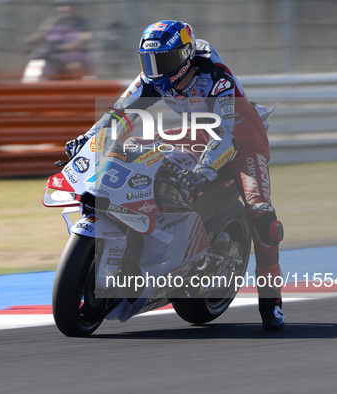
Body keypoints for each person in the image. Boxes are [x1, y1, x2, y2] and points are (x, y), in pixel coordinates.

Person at [65, 20, 286, 330]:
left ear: (184, 56)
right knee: (128, 151)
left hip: (242, 140)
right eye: (148, 61)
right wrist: (87, 138)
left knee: (263, 217)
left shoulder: (214, 77)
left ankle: (271, 303)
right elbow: (119, 112)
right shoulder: (152, 78)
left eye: (163, 60)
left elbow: (224, 135)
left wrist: (204, 171)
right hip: (194, 133)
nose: (155, 70)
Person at [24, 0, 93, 80]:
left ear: (75, 7)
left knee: (74, 66)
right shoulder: (52, 22)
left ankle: (75, 89)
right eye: (61, 5)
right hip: (52, 56)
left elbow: (84, 41)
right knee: (35, 70)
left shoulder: (84, 23)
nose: (65, 8)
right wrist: (27, 43)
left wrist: (63, 47)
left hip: (74, 57)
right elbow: (39, 35)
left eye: (69, 5)